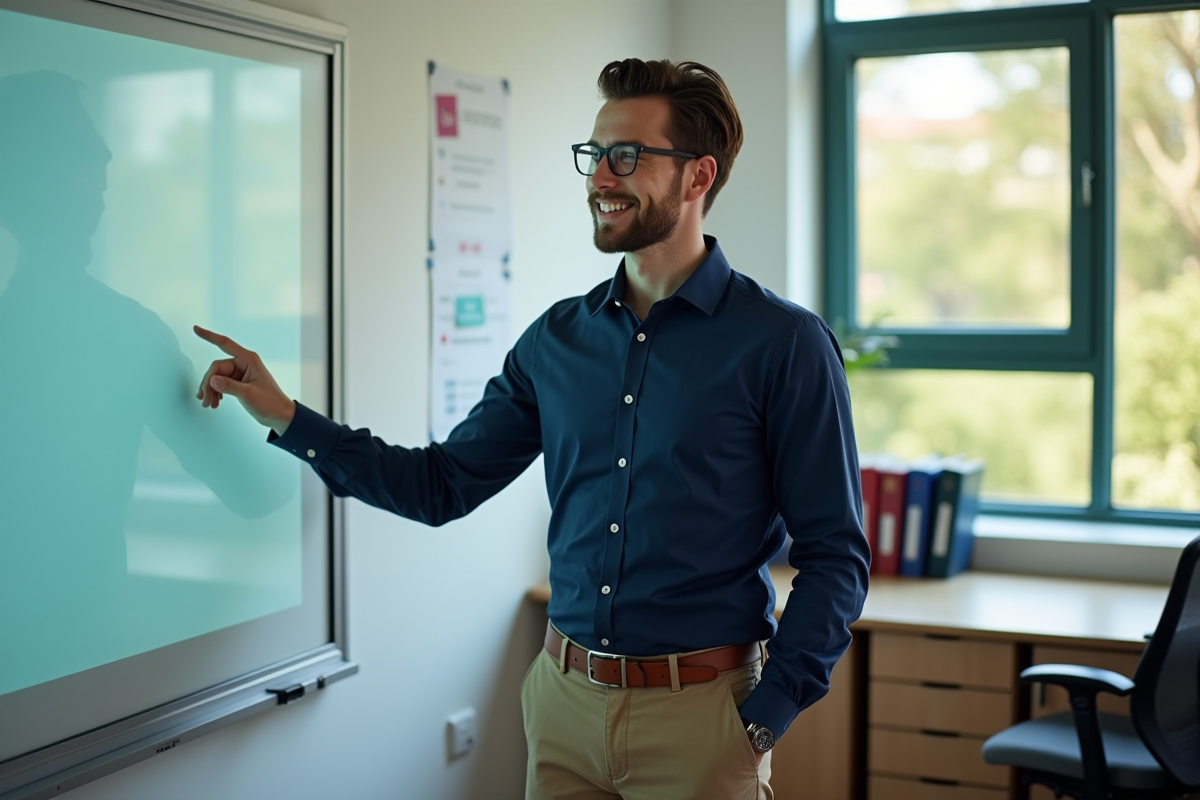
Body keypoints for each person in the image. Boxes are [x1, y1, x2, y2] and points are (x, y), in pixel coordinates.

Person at [194, 58, 869, 800]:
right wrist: (290, 418)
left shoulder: (783, 344)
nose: (600, 178)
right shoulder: (556, 341)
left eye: (626, 157)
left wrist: (766, 716)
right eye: (594, 155)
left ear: (698, 176)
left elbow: (835, 554)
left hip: (704, 720)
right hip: (562, 706)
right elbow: (440, 485)